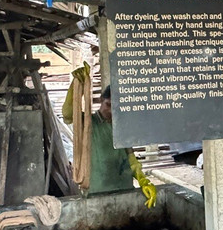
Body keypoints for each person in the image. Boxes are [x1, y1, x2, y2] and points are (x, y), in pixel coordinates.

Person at [62, 65, 157, 207]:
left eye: (116, 108)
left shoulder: (122, 126)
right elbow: (68, 114)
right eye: (108, 105)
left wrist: (142, 179)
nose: (111, 111)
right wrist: (76, 86)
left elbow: (130, 155)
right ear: (101, 100)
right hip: (98, 191)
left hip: (124, 188)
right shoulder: (87, 122)